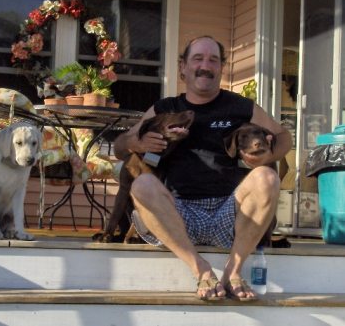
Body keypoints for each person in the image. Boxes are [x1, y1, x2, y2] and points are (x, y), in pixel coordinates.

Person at [113, 36, 292, 300]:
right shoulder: (166, 108)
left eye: (213, 60)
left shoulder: (241, 106)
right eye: (198, 59)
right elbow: (119, 147)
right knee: (142, 185)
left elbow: (284, 137)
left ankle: (233, 269)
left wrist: (266, 158)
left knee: (266, 177)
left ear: (221, 68)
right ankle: (201, 269)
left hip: (231, 214)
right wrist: (137, 142)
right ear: (183, 67)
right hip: (178, 213)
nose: (205, 66)